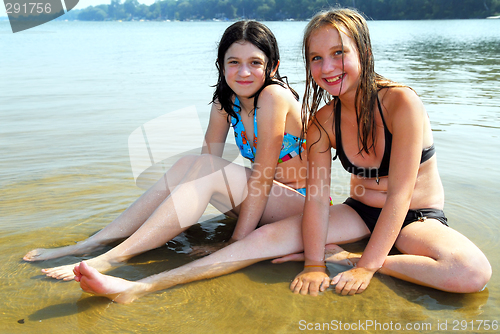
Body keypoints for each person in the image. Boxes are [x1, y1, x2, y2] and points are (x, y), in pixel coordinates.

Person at [70, 8, 491, 303]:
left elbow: (400, 195)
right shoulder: (323, 120)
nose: (328, 67)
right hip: (359, 210)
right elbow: (318, 196)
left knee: (471, 273)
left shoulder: (401, 103)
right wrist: (311, 263)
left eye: (339, 53)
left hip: (415, 217)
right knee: (261, 240)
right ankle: (138, 287)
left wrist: (363, 265)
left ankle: (355, 256)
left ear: (362, 49)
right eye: (316, 58)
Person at [23, 20, 309, 280]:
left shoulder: (274, 96)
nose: (243, 72)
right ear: (221, 65)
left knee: (205, 167)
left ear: (272, 66)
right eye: (233, 62)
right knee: (191, 164)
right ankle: (93, 243)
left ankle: (112, 258)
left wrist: (236, 242)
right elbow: (205, 163)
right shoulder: (226, 102)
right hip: (260, 205)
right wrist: (181, 211)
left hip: (298, 207)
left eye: (254, 63)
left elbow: (260, 176)